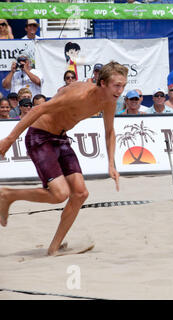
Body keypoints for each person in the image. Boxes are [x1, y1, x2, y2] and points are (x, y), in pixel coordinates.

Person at [0, 61, 128, 256]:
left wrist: (111, 164)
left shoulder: (109, 101)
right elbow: (37, 110)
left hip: (60, 138)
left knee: (80, 194)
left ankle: (53, 249)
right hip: (40, 136)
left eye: (123, 86)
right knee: (59, 194)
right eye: (117, 85)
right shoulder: (78, 95)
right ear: (103, 83)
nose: (121, 90)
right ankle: (8, 195)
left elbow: (110, 132)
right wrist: (9, 139)